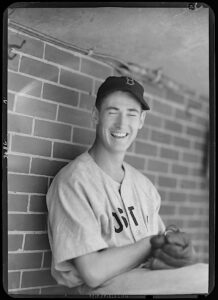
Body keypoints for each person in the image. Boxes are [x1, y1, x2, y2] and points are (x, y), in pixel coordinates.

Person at [46, 76, 208, 295]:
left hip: (145, 281)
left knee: (203, 273)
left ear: (141, 120)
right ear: (96, 116)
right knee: (204, 276)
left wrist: (173, 246)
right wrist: (151, 243)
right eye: (112, 111)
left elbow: (159, 248)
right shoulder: (73, 181)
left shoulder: (145, 187)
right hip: (103, 289)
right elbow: (92, 273)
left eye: (131, 114)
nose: (122, 123)